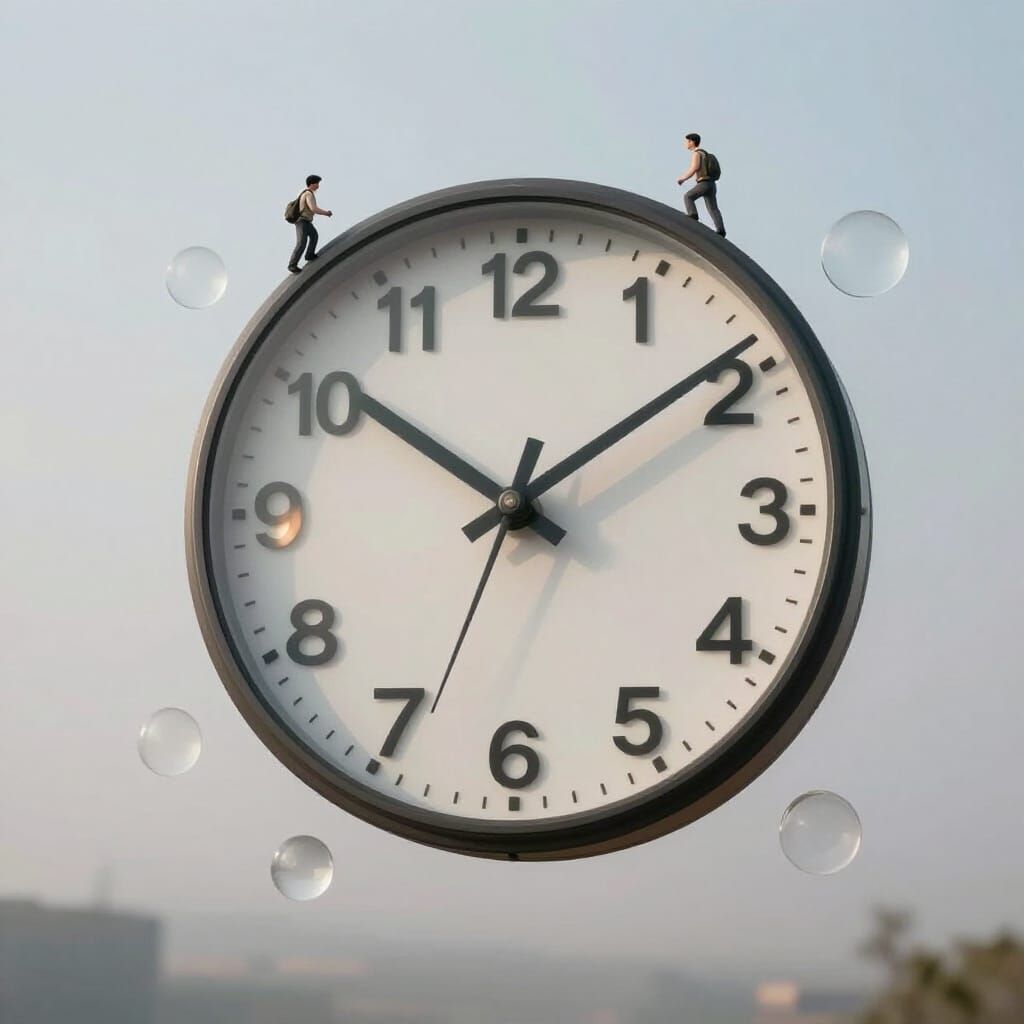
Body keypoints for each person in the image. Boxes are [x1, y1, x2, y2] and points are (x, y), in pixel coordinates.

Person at [677, 134, 725, 238]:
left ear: (692, 142)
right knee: (713, 208)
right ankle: (721, 230)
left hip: (703, 183)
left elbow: (694, 168)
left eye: (688, 141)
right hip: (712, 184)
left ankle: (693, 214)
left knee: (688, 196)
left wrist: (683, 179)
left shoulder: (697, 153)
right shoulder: (705, 154)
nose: (686, 144)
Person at [288, 174, 333, 273]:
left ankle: (309, 254)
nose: (318, 186)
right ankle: (292, 265)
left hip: (306, 221)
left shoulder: (305, 193)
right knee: (301, 242)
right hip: (302, 221)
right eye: (317, 183)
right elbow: (313, 208)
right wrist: (326, 213)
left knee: (314, 235)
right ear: (312, 184)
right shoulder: (308, 193)